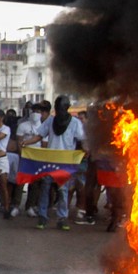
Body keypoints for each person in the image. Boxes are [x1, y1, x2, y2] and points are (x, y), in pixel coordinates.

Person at [35, 96, 84, 230]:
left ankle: (62, 219)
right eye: (57, 107)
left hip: (65, 163)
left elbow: (81, 138)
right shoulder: (50, 121)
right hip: (50, 161)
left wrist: (85, 151)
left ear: (66, 108)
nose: (59, 110)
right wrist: (26, 143)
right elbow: (39, 135)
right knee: (45, 189)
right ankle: (42, 217)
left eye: (61, 107)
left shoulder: (75, 123)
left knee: (63, 191)